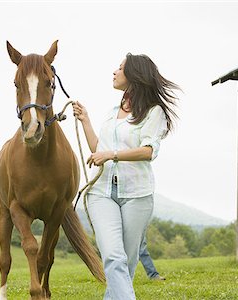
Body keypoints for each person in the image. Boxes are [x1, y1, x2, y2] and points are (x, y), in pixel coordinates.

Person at [73, 52, 179, 299]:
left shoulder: (154, 112)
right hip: (101, 193)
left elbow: (148, 151)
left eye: (120, 68)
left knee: (126, 265)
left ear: (133, 75)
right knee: (113, 256)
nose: (114, 71)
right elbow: (99, 149)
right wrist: (86, 120)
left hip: (137, 196)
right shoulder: (112, 112)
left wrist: (112, 154)